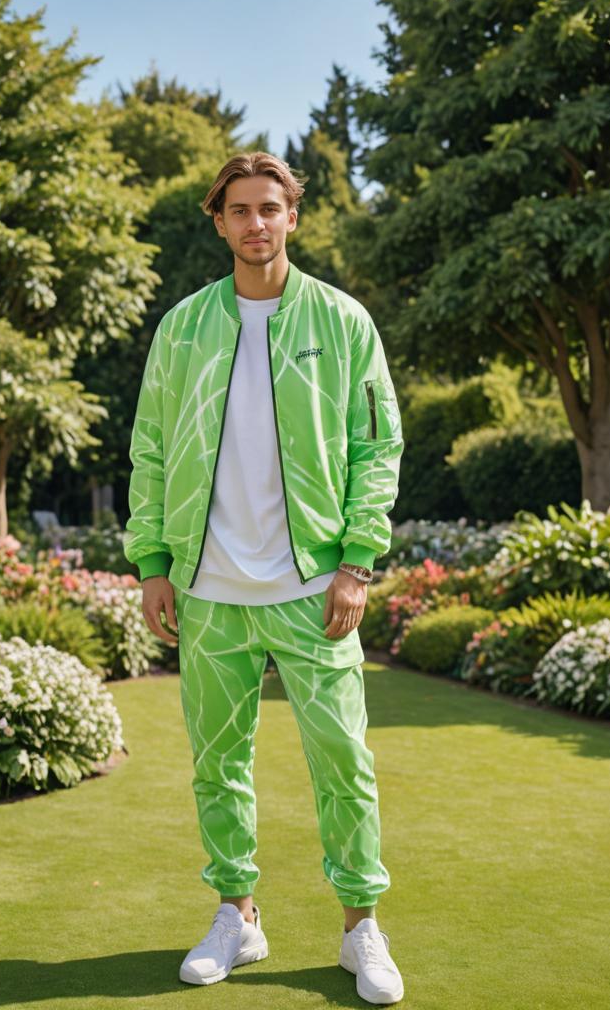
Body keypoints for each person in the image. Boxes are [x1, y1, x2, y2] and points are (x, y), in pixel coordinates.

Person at [122, 151, 405, 1005]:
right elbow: (150, 449)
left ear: (293, 215)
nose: (255, 224)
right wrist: (152, 564)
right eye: (239, 210)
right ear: (218, 221)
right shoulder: (181, 329)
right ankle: (237, 917)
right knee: (217, 764)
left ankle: (362, 929)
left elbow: (377, 447)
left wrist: (356, 560)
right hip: (209, 594)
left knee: (344, 760)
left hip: (314, 589)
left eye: (269, 208)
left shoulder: (344, 320)